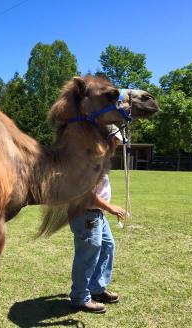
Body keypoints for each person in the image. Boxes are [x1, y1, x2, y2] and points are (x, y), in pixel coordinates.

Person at [69, 128, 126, 314]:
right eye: (116, 142)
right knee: (87, 255)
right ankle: (79, 297)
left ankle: (96, 288)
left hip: (96, 215)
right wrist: (111, 208)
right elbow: (87, 194)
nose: (116, 146)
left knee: (107, 246)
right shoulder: (90, 159)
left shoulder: (100, 158)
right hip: (86, 214)